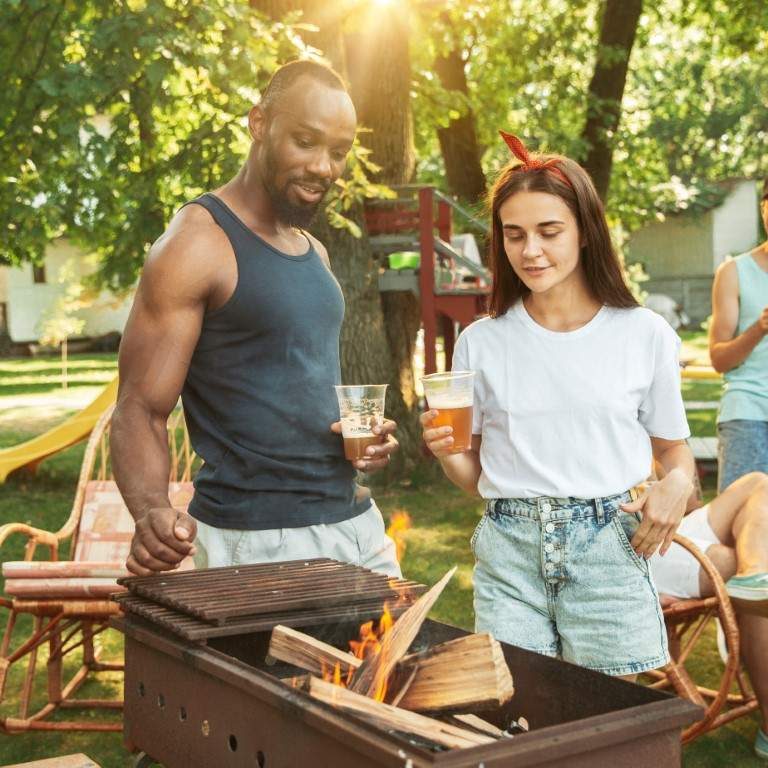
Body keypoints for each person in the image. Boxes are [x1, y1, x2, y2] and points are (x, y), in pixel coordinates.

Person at [421, 132, 696, 678]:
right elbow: (477, 478)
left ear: (586, 232)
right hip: (509, 551)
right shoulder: (481, 341)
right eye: (514, 234)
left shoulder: (644, 334)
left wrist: (677, 487)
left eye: (549, 232)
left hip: (609, 553)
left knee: (606, 730)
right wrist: (447, 453)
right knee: (519, 717)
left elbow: (675, 452)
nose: (530, 251)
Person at [111, 60, 400, 578]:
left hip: (354, 522)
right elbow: (139, 407)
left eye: (338, 152)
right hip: (256, 541)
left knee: (402, 660)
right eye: (305, 142)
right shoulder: (197, 243)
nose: (323, 167)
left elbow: (298, 384)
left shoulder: (313, 250)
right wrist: (151, 510)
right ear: (259, 123)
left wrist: (363, 439)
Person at [649, 472, 768, 760]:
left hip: (669, 525)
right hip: (637, 545)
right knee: (742, 566)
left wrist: (670, 475)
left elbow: (689, 500)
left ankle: (755, 574)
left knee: (757, 482)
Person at [709, 177, 768, 492]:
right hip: (748, 412)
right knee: (738, 521)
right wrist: (759, 328)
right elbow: (719, 358)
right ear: (763, 209)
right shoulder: (734, 272)